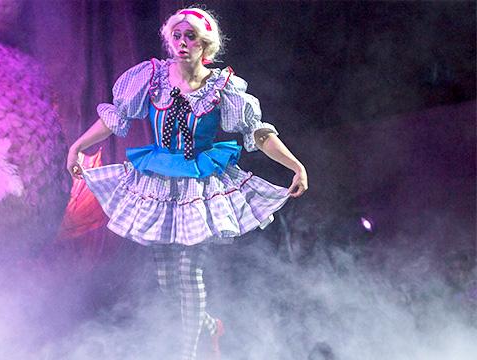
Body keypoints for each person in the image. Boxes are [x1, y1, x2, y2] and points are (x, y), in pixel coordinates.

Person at [66, 7, 308, 360]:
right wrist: (78, 146)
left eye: (190, 36)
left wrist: (295, 165)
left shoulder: (221, 87)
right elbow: (116, 118)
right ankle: (209, 326)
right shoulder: (152, 77)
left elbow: (256, 131)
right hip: (160, 181)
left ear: (205, 44)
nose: (182, 43)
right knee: (167, 281)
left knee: (187, 269)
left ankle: (188, 355)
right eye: (177, 36)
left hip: (200, 185)